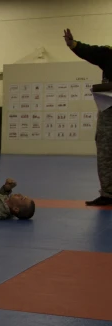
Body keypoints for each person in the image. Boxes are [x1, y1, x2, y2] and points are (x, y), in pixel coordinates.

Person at [64, 28, 112, 206]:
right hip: (108, 108)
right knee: (105, 151)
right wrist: (73, 44)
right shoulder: (108, 54)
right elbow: (91, 52)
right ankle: (108, 194)